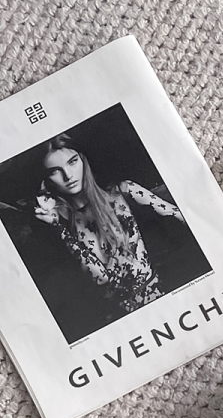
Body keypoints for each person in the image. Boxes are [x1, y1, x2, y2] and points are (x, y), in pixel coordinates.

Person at [32, 134, 187, 317]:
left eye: (72, 162)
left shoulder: (123, 192)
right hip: (118, 318)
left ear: (83, 159)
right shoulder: (60, 222)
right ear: (46, 180)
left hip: (161, 298)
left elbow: (182, 216)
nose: (68, 175)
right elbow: (101, 278)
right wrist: (59, 228)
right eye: (55, 171)